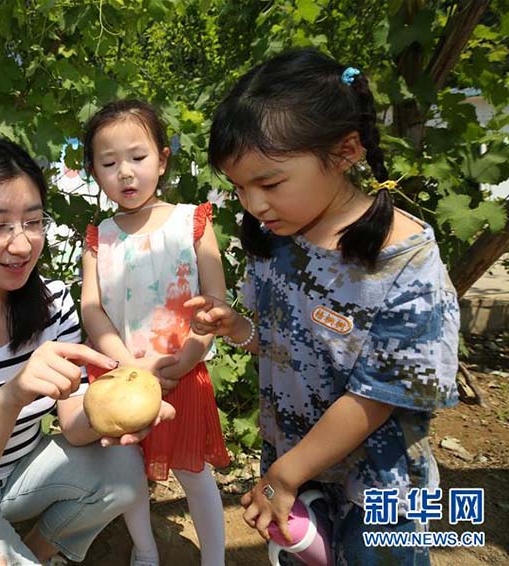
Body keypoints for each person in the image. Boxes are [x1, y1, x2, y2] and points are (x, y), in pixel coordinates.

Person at [186, 48, 460, 565]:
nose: (253, 204)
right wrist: (239, 328)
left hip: (379, 489)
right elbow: (284, 339)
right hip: (292, 468)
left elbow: (379, 397)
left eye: (269, 183)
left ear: (345, 151)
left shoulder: (405, 261)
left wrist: (286, 474)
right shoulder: (278, 240)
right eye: (239, 187)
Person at [0, 132, 175, 566]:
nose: (23, 244)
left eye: (32, 220)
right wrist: (11, 396)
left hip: (23, 474)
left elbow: (74, 423)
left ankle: (40, 552)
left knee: (123, 470)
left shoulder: (53, 304)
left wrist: (118, 409)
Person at [80, 100, 231, 566]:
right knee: (129, 475)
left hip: (182, 373)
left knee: (194, 472)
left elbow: (215, 306)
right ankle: (145, 551)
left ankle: (216, 560)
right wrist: (128, 366)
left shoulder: (193, 222)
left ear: (162, 160)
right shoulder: (98, 235)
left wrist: (188, 357)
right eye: (109, 163)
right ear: (95, 172)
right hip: (120, 380)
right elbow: (92, 309)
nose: (125, 173)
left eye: (138, 158)